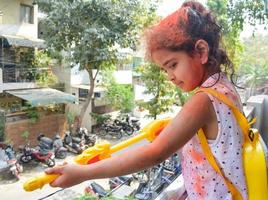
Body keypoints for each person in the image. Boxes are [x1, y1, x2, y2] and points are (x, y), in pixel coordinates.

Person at [45, 1, 247, 199]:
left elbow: (154, 154)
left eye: (173, 64)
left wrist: (82, 173)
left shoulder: (203, 100)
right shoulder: (222, 87)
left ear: (201, 51)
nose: (170, 76)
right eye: (165, 69)